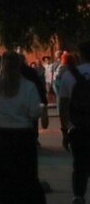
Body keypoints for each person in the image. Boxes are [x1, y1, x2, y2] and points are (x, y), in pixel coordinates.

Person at [0, 50, 45, 203]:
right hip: (23, 137)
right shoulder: (28, 86)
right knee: (27, 179)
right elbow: (34, 113)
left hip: (1, 137)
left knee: (4, 181)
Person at [55, 41, 90, 204]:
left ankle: (78, 195)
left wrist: (64, 129)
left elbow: (63, 105)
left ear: (80, 55)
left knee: (80, 163)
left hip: (78, 127)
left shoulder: (69, 75)